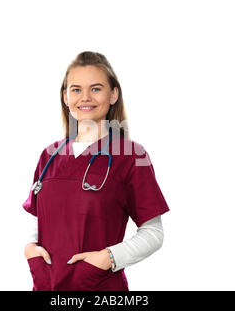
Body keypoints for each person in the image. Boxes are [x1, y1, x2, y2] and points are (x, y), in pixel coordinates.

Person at [22, 51, 170, 291]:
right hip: (47, 285)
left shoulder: (132, 156)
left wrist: (108, 258)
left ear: (113, 95)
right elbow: (40, 218)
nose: (85, 97)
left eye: (96, 88)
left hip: (98, 287)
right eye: (76, 89)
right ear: (65, 97)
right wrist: (31, 249)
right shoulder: (49, 155)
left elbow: (153, 233)